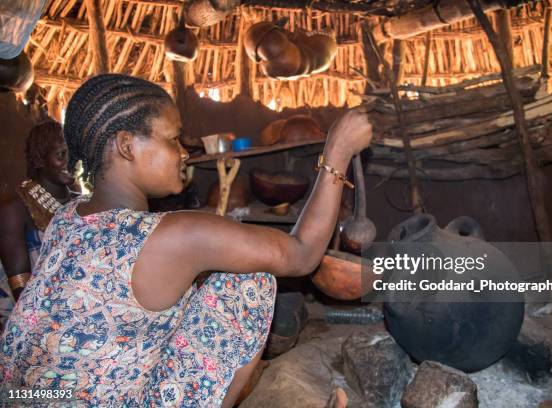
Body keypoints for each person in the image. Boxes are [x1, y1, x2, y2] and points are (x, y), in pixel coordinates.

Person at [0, 74, 372, 407]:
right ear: (127, 145)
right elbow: (302, 254)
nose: (183, 153)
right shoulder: (176, 234)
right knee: (246, 282)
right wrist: (336, 151)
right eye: (173, 139)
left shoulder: (68, 217)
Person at [0, 121, 76, 329]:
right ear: (39, 159)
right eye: (61, 155)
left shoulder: (82, 204)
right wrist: (41, 328)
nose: (71, 162)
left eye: (74, 154)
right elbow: (20, 284)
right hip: (35, 322)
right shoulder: (15, 208)